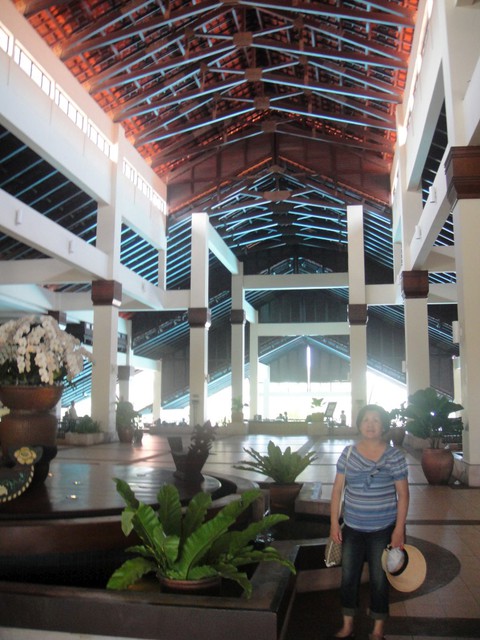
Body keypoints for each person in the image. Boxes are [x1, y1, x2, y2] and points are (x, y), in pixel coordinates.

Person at [330, 404, 409, 640]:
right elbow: (337, 491)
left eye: (375, 420)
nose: (370, 424)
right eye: (366, 420)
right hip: (352, 528)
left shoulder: (394, 456)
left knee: (379, 579)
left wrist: (399, 529)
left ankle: (377, 629)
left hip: (382, 529)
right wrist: (334, 523)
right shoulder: (348, 453)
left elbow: (403, 494)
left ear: (383, 425)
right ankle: (348, 624)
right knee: (348, 578)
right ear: (359, 425)